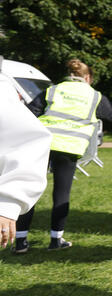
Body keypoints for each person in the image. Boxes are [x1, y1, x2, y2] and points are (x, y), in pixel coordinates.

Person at [15, 58, 112, 253]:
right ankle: (56, 240)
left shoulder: (54, 89)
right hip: (70, 147)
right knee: (61, 194)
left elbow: (30, 111)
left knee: (31, 190)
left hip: (44, 143)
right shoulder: (94, 96)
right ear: (87, 77)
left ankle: (20, 242)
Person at [0, 73, 51, 250]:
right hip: (72, 146)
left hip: (58, 146)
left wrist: (8, 202)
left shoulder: (52, 91)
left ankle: (23, 240)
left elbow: (25, 137)